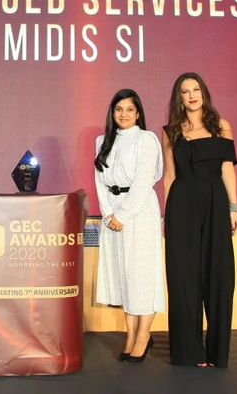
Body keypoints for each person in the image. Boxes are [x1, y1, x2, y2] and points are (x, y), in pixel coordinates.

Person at [161, 72, 237, 368]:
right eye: (185, 91)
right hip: (182, 204)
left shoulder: (222, 127)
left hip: (215, 203)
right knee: (183, 278)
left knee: (219, 275)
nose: (192, 95)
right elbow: (169, 176)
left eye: (196, 89)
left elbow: (227, 170)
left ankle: (217, 352)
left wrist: (233, 207)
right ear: (179, 97)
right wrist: (165, 216)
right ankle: (190, 352)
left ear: (204, 93)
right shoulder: (171, 131)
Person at [93, 88, 166, 363]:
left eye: (130, 110)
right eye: (119, 109)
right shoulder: (102, 141)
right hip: (113, 217)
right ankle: (130, 335)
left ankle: (144, 336)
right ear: (113, 112)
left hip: (138, 214)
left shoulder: (146, 139)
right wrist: (109, 213)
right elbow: (100, 181)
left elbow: (144, 180)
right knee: (124, 275)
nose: (124, 114)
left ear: (138, 113)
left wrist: (123, 214)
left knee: (142, 275)